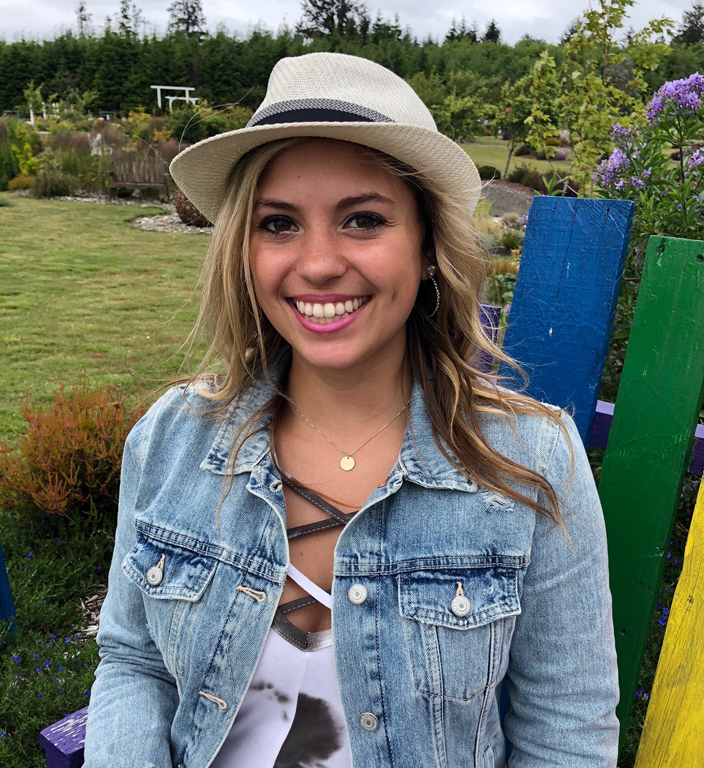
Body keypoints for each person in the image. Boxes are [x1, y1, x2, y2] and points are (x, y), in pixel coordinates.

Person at [83, 52, 620, 768]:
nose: (318, 263)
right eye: (278, 224)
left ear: (427, 246)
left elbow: (567, 730)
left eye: (363, 220)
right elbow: (134, 660)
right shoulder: (170, 440)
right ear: (243, 250)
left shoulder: (531, 463)